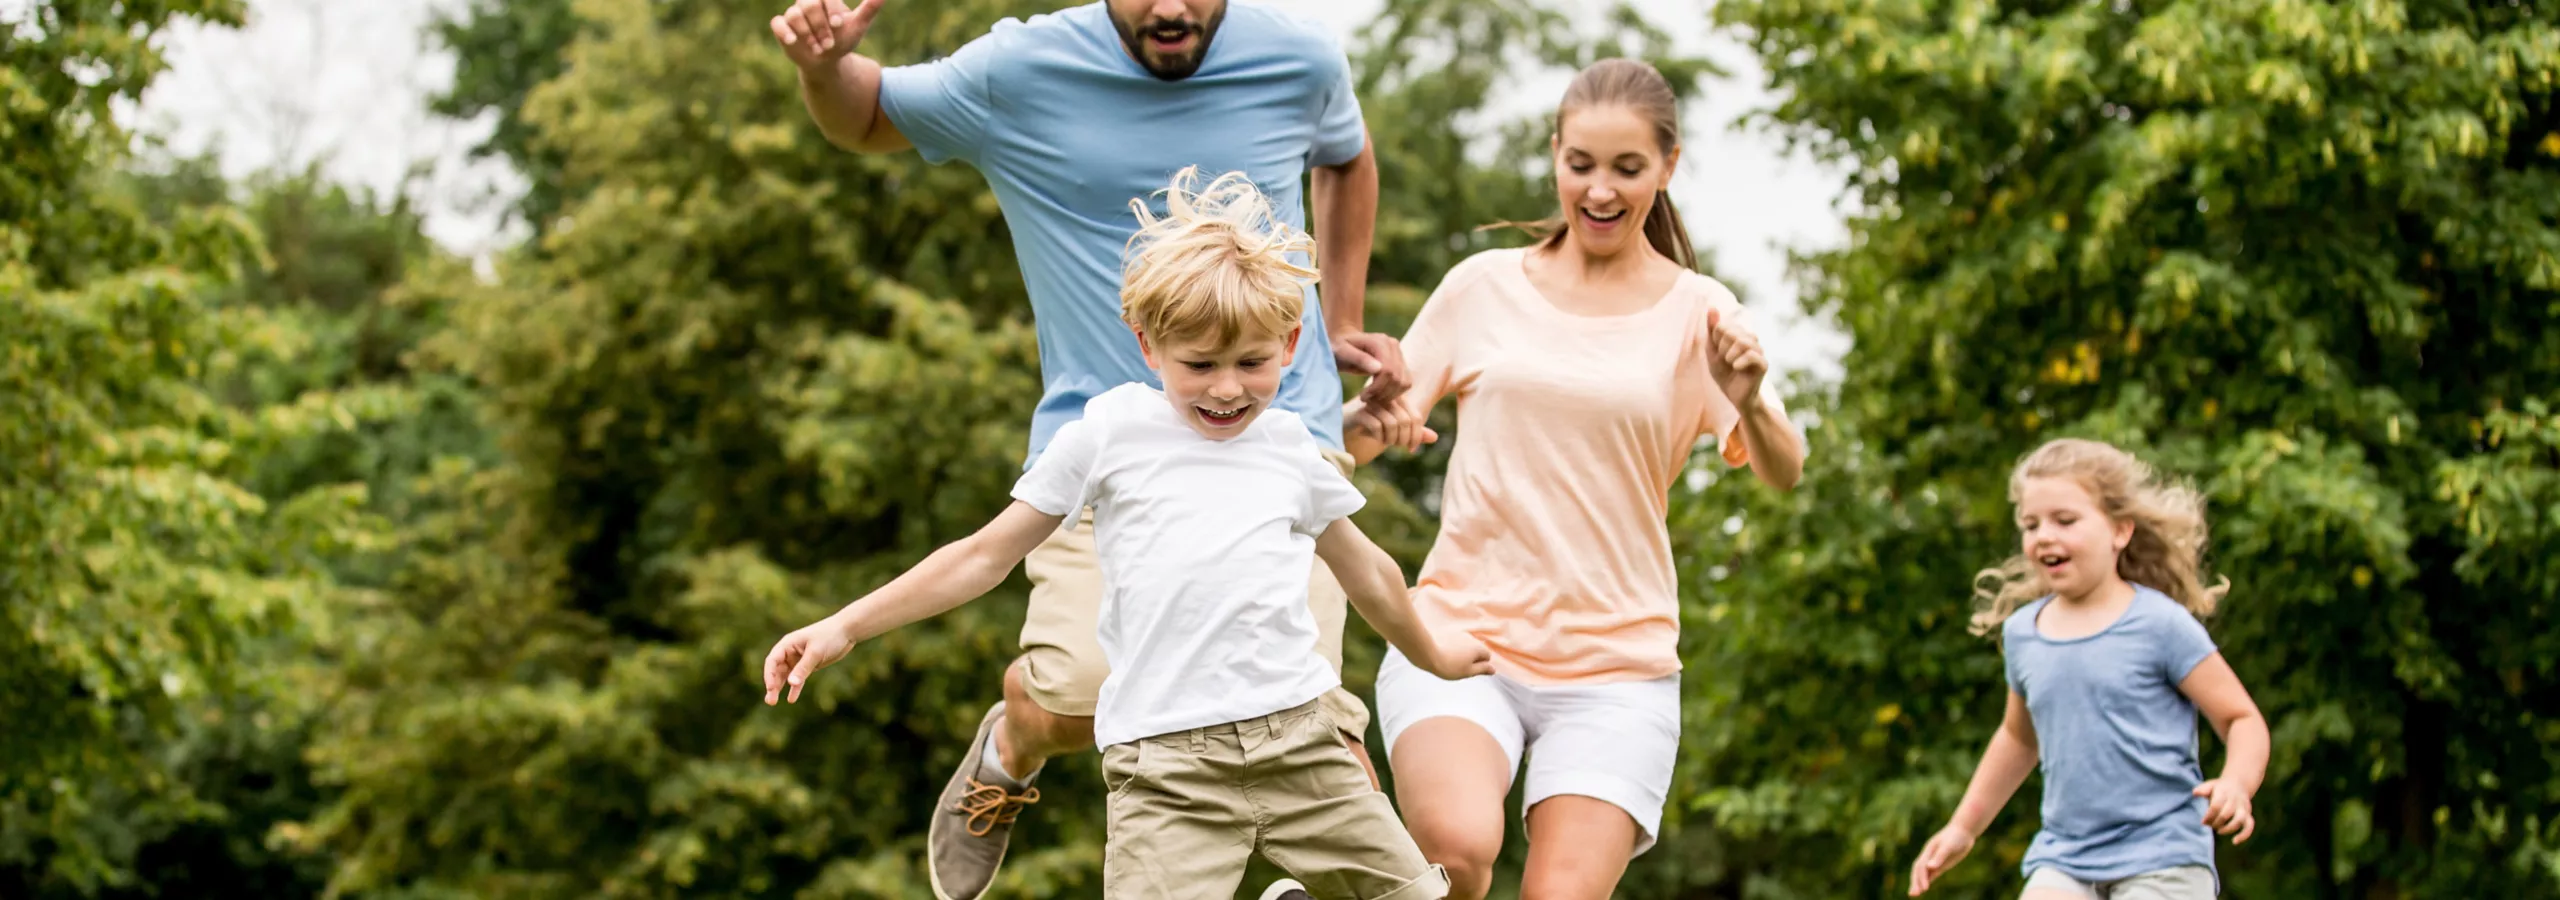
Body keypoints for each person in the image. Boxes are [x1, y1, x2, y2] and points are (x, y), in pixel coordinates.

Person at [762, 2, 1408, 897]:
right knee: (1082, 695)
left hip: (1281, 436)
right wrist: (822, 69)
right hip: (1104, 467)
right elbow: (866, 117)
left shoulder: (1298, 60)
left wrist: (1337, 321)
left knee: (1310, 716)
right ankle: (1013, 736)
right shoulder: (1018, 71)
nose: (1173, 9)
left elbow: (1346, 153)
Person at [1333, 58, 1808, 900]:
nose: (1598, 189)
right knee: (1455, 847)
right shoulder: (1482, 286)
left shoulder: (1698, 310)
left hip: (1618, 669)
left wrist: (1751, 403)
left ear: (1667, 167)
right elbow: (1357, 442)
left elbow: (1783, 469)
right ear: (1554, 154)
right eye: (1579, 163)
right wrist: (1372, 418)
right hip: (1461, 637)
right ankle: (1346, 857)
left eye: (1627, 168)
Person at [1906, 438, 2271, 899]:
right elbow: (2018, 739)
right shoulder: (2024, 634)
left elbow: (2241, 718)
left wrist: (2237, 784)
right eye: (2030, 524)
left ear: (2120, 531)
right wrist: (1963, 828)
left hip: (2164, 856)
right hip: (2065, 857)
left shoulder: (2160, 625)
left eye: (2065, 520)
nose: (2043, 536)